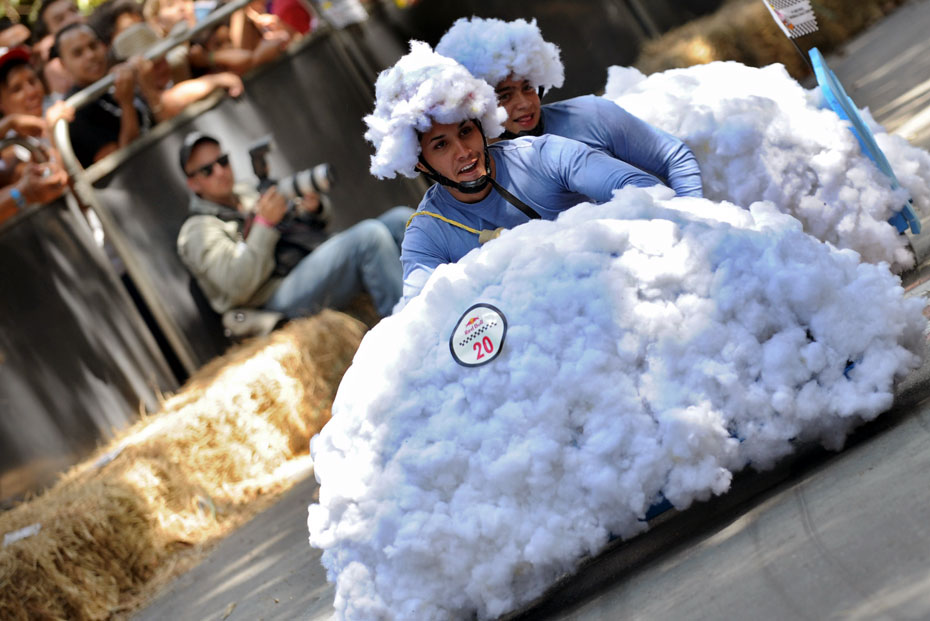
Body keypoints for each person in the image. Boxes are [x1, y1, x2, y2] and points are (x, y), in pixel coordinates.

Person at [365, 42, 668, 302]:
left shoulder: (542, 155)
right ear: (420, 162)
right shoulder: (426, 233)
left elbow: (642, 188)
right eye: (441, 145)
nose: (463, 151)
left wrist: (589, 240)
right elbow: (420, 315)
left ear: (483, 127)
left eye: (466, 131)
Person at [435, 17, 703, 198]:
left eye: (528, 87)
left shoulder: (591, 114)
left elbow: (675, 157)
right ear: (477, 107)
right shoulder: (475, 175)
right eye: (505, 96)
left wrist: (692, 218)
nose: (525, 103)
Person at [176, 131, 412, 320]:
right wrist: (265, 224)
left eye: (222, 161)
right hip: (272, 297)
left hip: (306, 261)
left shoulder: (247, 190)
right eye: (207, 170)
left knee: (402, 220)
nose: (220, 171)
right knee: (369, 237)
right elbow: (237, 286)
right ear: (193, 183)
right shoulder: (197, 230)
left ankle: (433, 304)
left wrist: (314, 208)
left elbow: (316, 225)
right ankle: (411, 333)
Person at [53, 22, 156, 167]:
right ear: (63, 65)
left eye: (93, 46)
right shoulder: (74, 111)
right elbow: (121, 166)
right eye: (78, 53)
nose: (90, 55)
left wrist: (147, 85)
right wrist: (127, 104)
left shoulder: (115, 80)